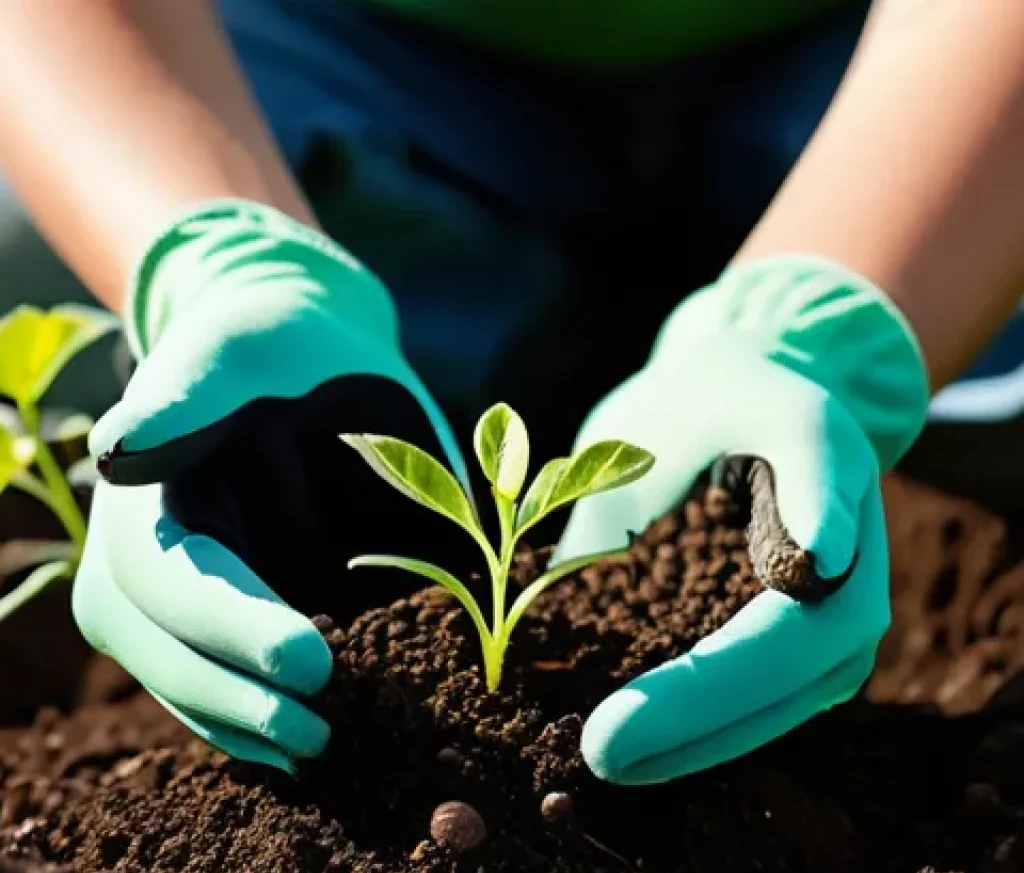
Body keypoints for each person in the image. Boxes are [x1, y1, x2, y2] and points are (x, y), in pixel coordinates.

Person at [1, 0, 1022, 782]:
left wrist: (822, 325)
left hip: (874, 74)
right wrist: (220, 256)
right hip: (354, 64)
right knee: (25, 252)